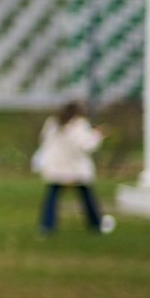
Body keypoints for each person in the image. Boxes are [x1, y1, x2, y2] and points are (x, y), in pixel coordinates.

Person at [34, 101, 113, 235]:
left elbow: (43, 141)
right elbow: (86, 145)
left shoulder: (53, 123)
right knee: (87, 197)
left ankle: (47, 225)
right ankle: (96, 224)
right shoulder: (78, 125)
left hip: (56, 166)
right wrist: (97, 135)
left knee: (52, 197)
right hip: (75, 168)